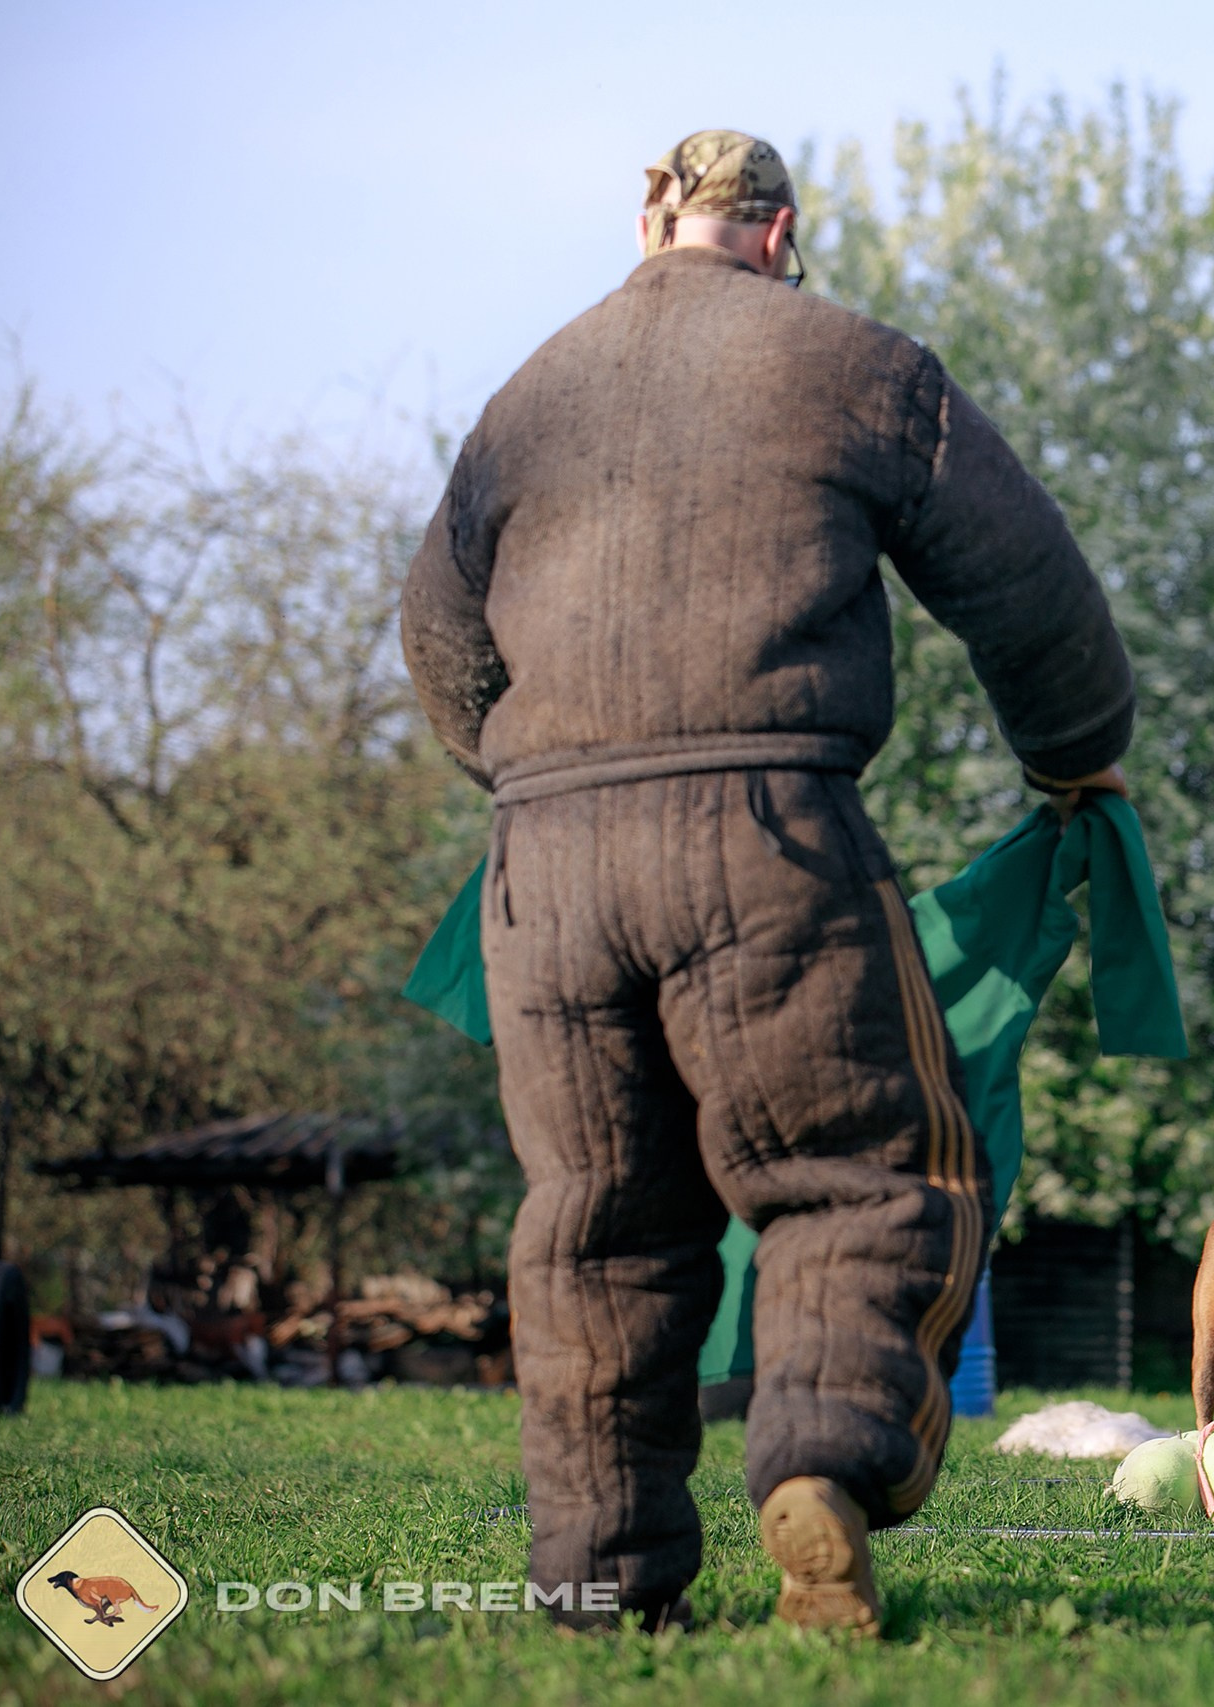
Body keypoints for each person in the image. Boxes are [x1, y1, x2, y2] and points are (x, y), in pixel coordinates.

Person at [400, 131, 1134, 1633]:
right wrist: (1078, 753)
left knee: (595, 1225)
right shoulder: (853, 363)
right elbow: (1034, 593)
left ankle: (603, 1586)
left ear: (649, 218)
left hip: (543, 859)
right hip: (765, 829)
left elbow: (440, 642)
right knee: (865, 1174)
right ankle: (819, 1466)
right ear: (781, 231)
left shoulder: (526, 398)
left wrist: (538, 782)